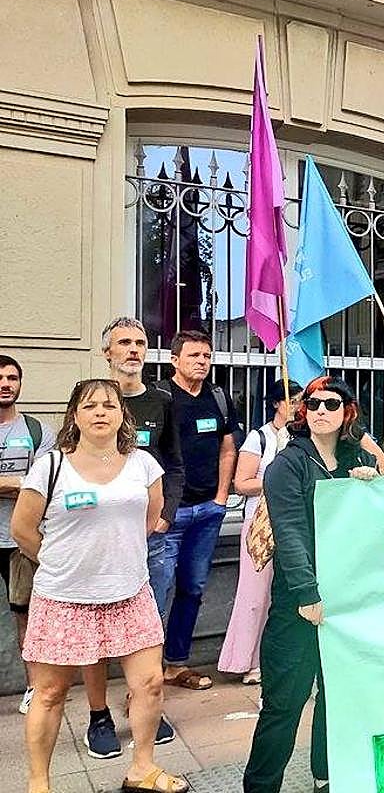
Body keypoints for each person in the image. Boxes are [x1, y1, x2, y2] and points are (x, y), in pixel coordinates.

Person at [12, 379, 189, 793]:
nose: (100, 412)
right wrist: (60, 562)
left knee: (150, 683)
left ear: (122, 415)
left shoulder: (144, 464)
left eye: (109, 405)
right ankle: (39, 783)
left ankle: (142, 769)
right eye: (90, 406)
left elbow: (150, 519)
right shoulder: (50, 466)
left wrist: (114, 557)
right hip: (64, 598)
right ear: (74, 415)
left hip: (130, 593)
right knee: (50, 693)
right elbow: (22, 529)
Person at [243, 377, 381, 793]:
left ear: (347, 412)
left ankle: (327, 775)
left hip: (346, 597)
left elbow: (381, 512)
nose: (321, 410)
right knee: (283, 704)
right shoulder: (288, 464)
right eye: (314, 403)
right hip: (299, 602)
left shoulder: (356, 457)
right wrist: (306, 592)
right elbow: (290, 532)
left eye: (331, 404)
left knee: (337, 697)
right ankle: (261, 786)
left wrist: (370, 482)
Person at [80, 317, 185, 759]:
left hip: (150, 540)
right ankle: (98, 715)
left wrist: (165, 516)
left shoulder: (161, 401)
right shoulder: (90, 400)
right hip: (100, 542)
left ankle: (144, 703)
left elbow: (174, 464)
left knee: (150, 625)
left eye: (140, 342)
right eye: (123, 342)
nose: (133, 350)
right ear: (107, 352)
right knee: (96, 631)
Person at [155, 330, 241, 692]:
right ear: (174, 360)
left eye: (206, 355)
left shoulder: (218, 398)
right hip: (167, 516)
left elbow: (228, 449)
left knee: (192, 588)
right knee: (157, 592)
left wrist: (221, 498)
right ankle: (147, 674)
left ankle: (176, 664)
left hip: (207, 511)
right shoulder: (159, 397)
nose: (202, 362)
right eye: (194, 355)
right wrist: (157, 509)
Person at [218, 379, 299, 686]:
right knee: (254, 596)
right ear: (277, 403)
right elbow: (242, 483)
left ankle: (279, 658)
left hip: (293, 521)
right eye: (292, 400)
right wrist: (279, 479)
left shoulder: (301, 438)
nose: (297, 406)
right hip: (260, 525)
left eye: (300, 401)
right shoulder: (259, 438)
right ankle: (247, 660)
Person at [0, 355, 55, 716]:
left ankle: (34, 688)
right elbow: (27, 485)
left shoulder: (38, 431)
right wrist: (19, 484)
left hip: (20, 540)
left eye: (12, 377)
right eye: (0, 378)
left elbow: (42, 486)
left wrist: (22, 486)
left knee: (27, 615)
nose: (6, 384)